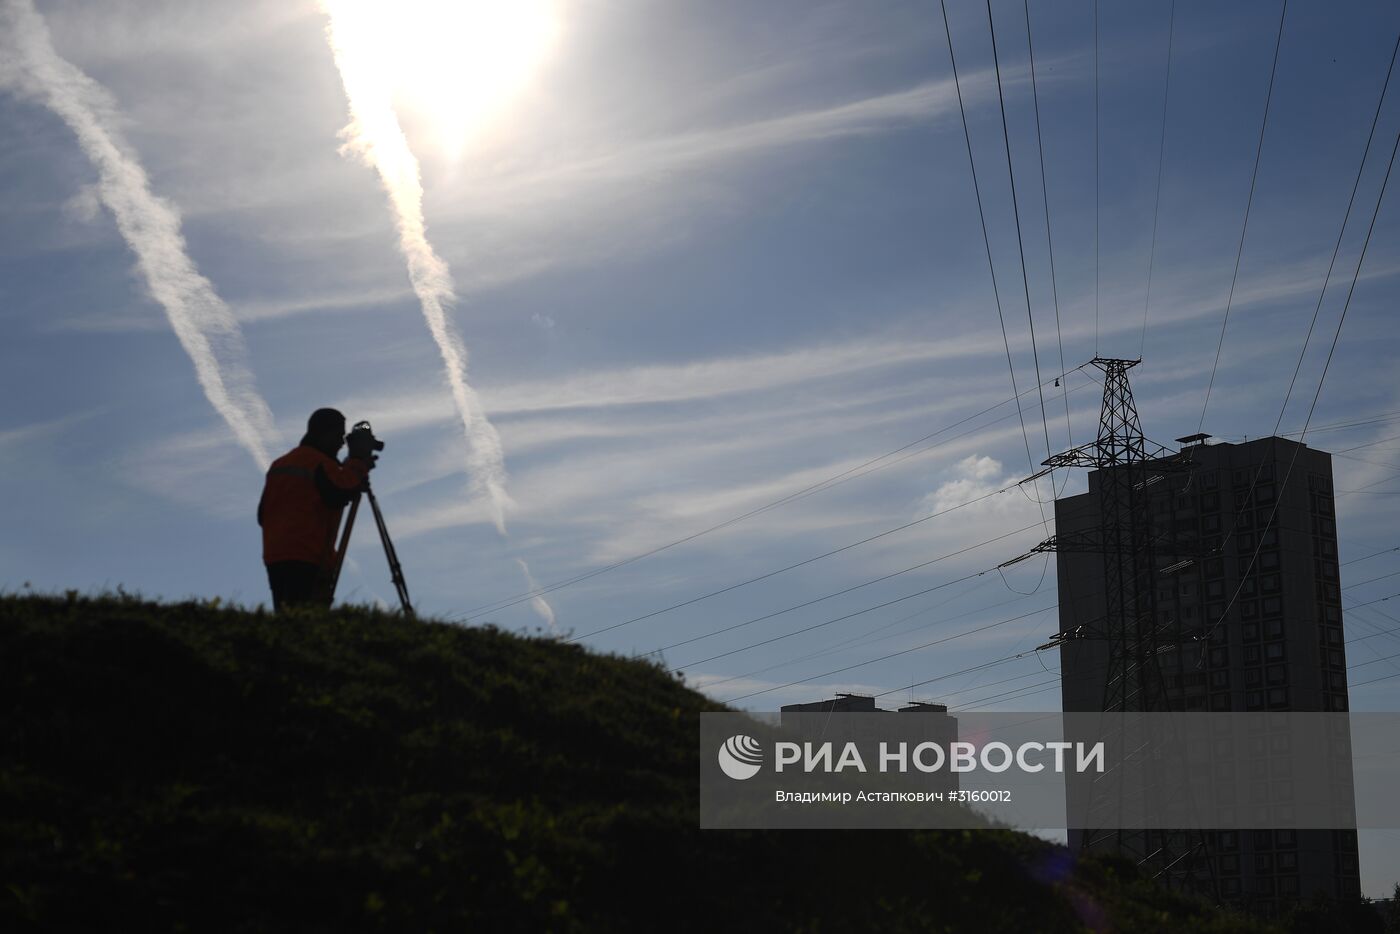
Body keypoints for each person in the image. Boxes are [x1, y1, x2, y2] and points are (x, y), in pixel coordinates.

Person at [257, 408, 376, 611]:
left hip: (275, 555)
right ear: (324, 433)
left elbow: (262, 514)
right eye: (339, 436)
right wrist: (357, 464)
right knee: (305, 617)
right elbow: (339, 491)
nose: (341, 443)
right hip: (306, 556)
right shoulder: (320, 464)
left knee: (285, 613)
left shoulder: (280, 464)